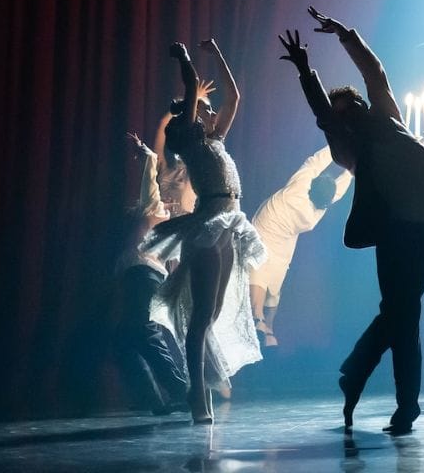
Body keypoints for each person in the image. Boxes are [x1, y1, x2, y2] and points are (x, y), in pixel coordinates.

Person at [279, 8, 424, 436]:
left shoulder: (388, 116)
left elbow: (375, 73)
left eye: (352, 102)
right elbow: (323, 113)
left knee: (400, 311)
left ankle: (358, 368)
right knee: (404, 314)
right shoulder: (347, 147)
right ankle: (402, 404)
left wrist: (345, 35)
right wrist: (305, 71)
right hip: (396, 231)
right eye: (344, 110)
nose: (350, 110)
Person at [142, 40, 267, 424]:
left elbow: (236, 97)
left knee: (210, 312)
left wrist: (218, 51)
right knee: (200, 317)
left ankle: (200, 387)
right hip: (208, 225)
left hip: (229, 222)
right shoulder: (190, 140)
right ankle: (196, 394)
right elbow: (194, 82)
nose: (212, 115)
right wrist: (183, 57)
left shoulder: (214, 141)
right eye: (205, 112)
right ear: (193, 120)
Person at [112, 129, 189, 414]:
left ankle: (181, 391)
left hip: (143, 276)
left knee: (144, 332)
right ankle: (154, 399)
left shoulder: (153, 209)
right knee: (123, 340)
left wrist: (144, 151)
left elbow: (150, 173)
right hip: (147, 278)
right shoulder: (170, 228)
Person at [248, 147, 353, 349]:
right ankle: (263, 324)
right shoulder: (315, 214)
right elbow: (338, 192)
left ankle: (261, 322)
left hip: (271, 228)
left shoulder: (301, 186)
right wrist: (350, 170)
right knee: (265, 274)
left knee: (263, 273)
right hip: (276, 234)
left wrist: (337, 143)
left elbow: (315, 161)